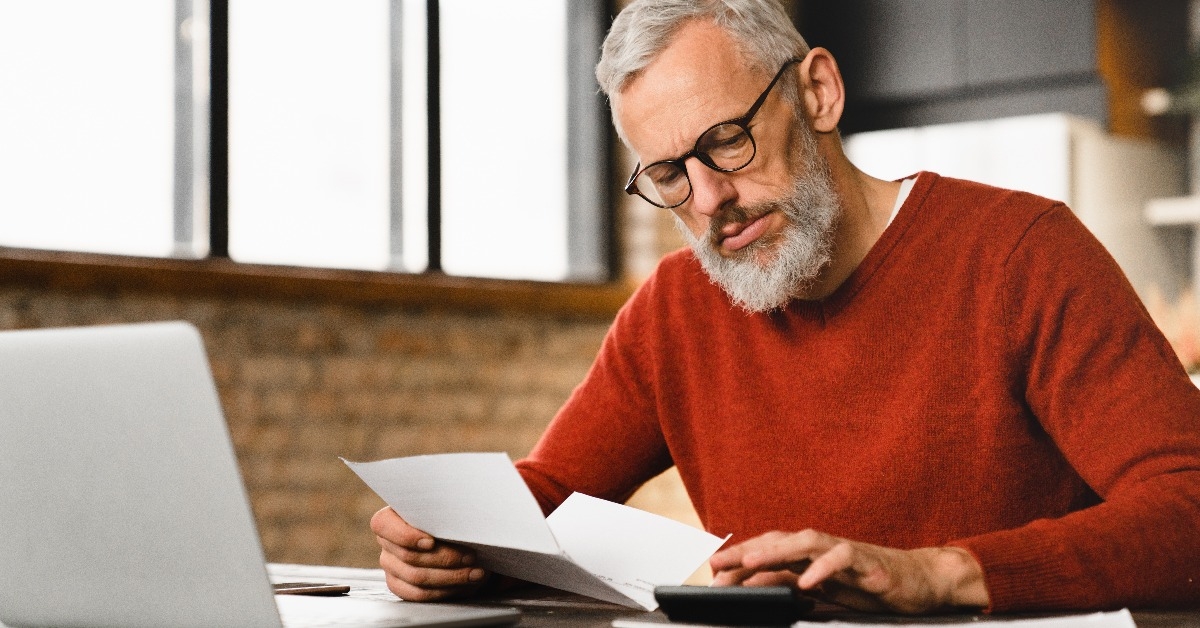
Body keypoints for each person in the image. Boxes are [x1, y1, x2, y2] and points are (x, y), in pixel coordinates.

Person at [371, 0, 1200, 614]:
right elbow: (549, 493)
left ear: (818, 93)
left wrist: (938, 573)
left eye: (727, 140)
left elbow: (1187, 505)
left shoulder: (1022, 253)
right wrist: (451, 543)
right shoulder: (674, 310)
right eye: (668, 175)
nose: (709, 201)